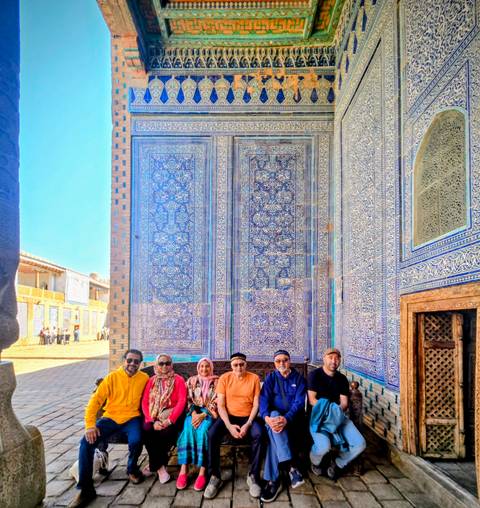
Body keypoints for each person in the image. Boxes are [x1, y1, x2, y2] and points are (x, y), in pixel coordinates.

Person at [68, 349, 149, 508]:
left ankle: (132, 469)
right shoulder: (112, 378)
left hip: (132, 418)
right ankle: (86, 489)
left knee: (136, 440)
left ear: (140, 363)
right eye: (130, 360)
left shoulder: (144, 378)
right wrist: (90, 425)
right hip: (110, 418)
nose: (132, 364)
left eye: (136, 361)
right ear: (124, 360)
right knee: (86, 443)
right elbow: (95, 401)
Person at [205, 352, 265, 500]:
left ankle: (253, 475)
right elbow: (221, 405)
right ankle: (214, 476)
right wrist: (229, 426)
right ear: (231, 366)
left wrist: (248, 423)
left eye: (241, 364)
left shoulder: (254, 378)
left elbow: (256, 404)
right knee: (212, 434)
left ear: (246, 364)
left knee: (260, 434)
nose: (239, 367)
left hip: (248, 416)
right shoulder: (225, 378)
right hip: (228, 417)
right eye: (235, 365)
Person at [308, 348, 366, 481]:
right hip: (319, 419)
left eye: (337, 358)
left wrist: (334, 415)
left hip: (338, 417)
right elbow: (312, 400)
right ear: (324, 358)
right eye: (330, 357)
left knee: (360, 444)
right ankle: (315, 461)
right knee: (324, 448)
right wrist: (329, 413)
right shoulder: (314, 375)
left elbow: (344, 403)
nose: (334, 361)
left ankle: (338, 462)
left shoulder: (342, 379)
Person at [259, 349, 307, 503]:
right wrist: (266, 418)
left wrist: (286, 419)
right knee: (273, 418)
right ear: (274, 364)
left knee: (274, 438)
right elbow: (264, 400)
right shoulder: (271, 379)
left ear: (290, 361)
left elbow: (299, 403)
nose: (282, 363)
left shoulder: (299, 379)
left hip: (293, 421)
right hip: (273, 420)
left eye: (285, 360)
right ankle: (292, 467)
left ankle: (273, 481)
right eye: (278, 361)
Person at [141, 354, 187, 484]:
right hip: (154, 416)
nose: (164, 366)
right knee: (146, 429)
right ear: (156, 365)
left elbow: (182, 401)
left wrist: (169, 420)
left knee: (166, 433)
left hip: (173, 417)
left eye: (167, 363)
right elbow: (145, 402)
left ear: (171, 365)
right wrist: (152, 420)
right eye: (161, 363)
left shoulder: (178, 380)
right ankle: (161, 468)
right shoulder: (152, 381)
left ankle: (153, 465)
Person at [176, 357, 218, 491]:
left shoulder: (217, 381)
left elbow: (218, 400)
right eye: (201, 366)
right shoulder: (192, 381)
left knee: (205, 430)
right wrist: (194, 413)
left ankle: (202, 471)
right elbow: (188, 400)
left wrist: (204, 414)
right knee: (188, 428)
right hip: (193, 412)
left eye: (207, 366)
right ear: (198, 368)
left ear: (211, 368)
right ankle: (184, 468)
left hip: (209, 413)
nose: (204, 369)